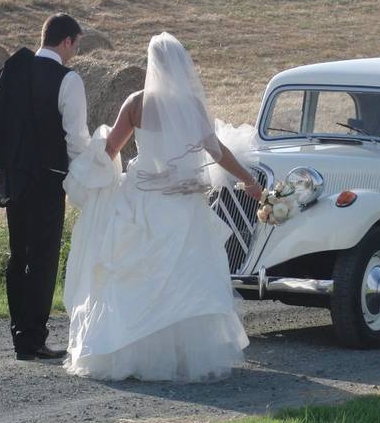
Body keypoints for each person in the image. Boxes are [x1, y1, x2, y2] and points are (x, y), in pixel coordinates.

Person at [62, 32, 264, 382]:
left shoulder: (136, 103)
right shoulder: (192, 106)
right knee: (184, 276)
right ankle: (184, 355)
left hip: (143, 199)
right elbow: (216, 152)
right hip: (183, 204)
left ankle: (132, 353)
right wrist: (248, 179)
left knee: (136, 274)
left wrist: (92, 168)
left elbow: (111, 149)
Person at [0, 13, 90, 360]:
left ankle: (20, 336)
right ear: (66, 41)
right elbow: (76, 138)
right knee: (43, 258)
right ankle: (34, 338)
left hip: (14, 177)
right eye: (76, 46)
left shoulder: (12, 70)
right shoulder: (69, 80)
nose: (74, 53)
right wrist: (86, 172)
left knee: (18, 255)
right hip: (49, 179)